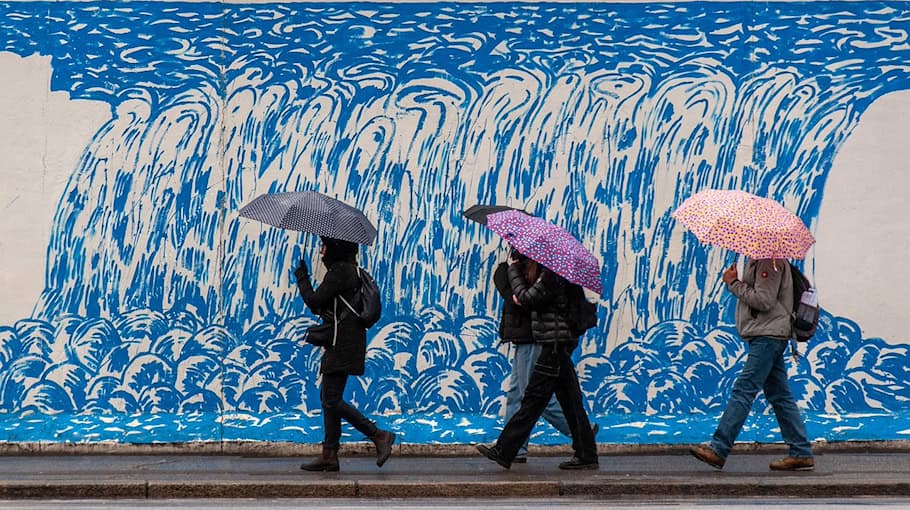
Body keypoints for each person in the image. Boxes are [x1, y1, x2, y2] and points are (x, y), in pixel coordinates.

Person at [690, 258, 815, 471]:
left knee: (744, 390)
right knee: (780, 396)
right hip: (768, 335)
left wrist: (733, 283)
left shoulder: (769, 262)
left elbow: (764, 301)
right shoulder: (761, 261)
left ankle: (718, 449)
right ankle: (801, 451)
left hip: (768, 337)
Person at [477, 251, 598, 470]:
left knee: (533, 399)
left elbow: (526, 298)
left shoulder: (551, 274)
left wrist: (512, 270)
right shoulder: (553, 272)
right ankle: (586, 452)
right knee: (569, 400)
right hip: (556, 343)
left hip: (553, 344)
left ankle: (505, 450)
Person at [295, 236, 396, 472]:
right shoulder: (350, 271)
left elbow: (314, 300)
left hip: (342, 342)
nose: (322, 251)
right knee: (328, 399)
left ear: (336, 249)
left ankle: (378, 435)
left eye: (325, 246)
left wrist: (302, 277)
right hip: (346, 340)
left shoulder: (340, 272)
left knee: (331, 399)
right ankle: (329, 454)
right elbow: (328, 305)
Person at [493, 249, 575, 463]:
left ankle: (579, 432)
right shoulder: (524, 270)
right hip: (522, 337)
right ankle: (513, 449)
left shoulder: (538, 273)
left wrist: (508, 275)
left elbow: (522, 300)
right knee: (515, 395)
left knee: (535, 396)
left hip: (532, 337)